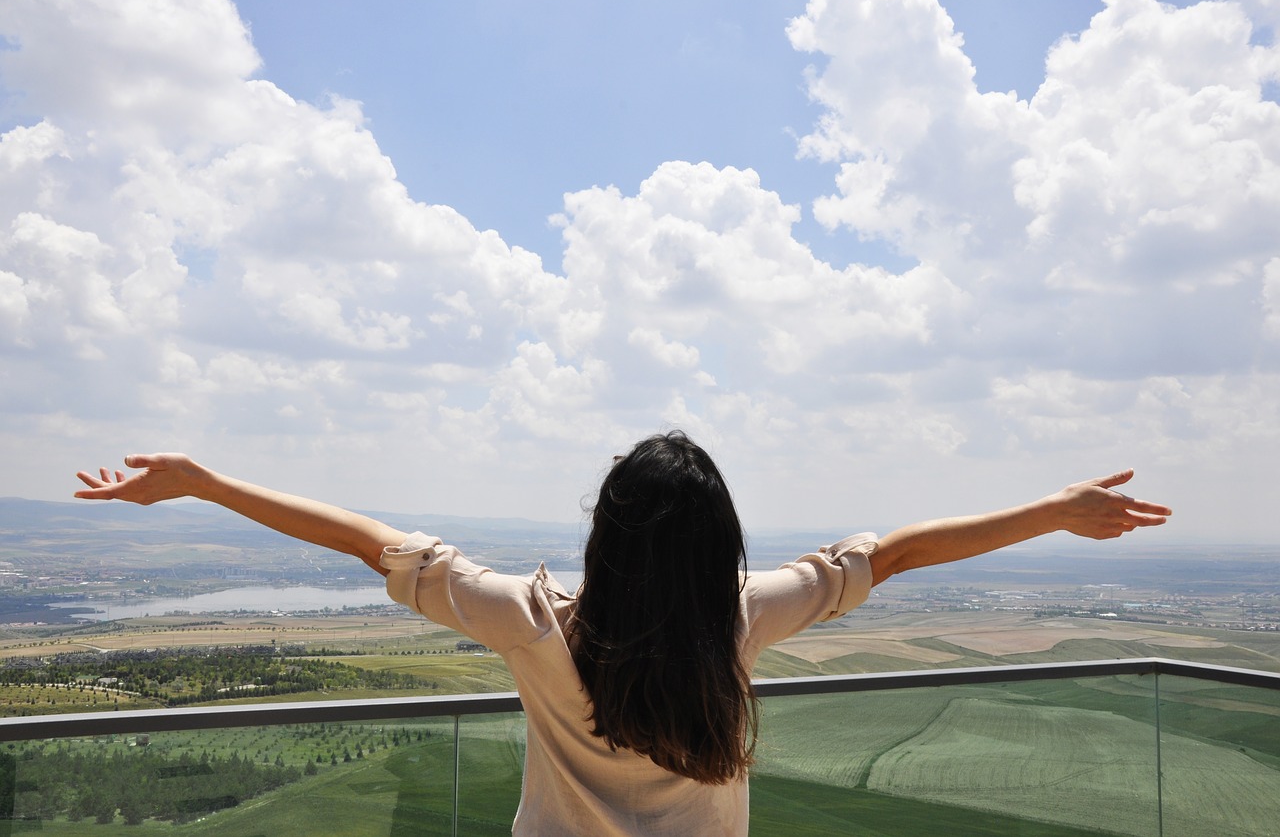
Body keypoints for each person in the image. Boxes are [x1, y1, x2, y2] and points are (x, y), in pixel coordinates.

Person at [74, 432, 1170, 836]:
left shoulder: (527, 620)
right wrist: (1050, 509)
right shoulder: (737, 620)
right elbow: (891, 554)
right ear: (716, 547)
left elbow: (373, 545)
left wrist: (206, 483)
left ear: (604, 533)